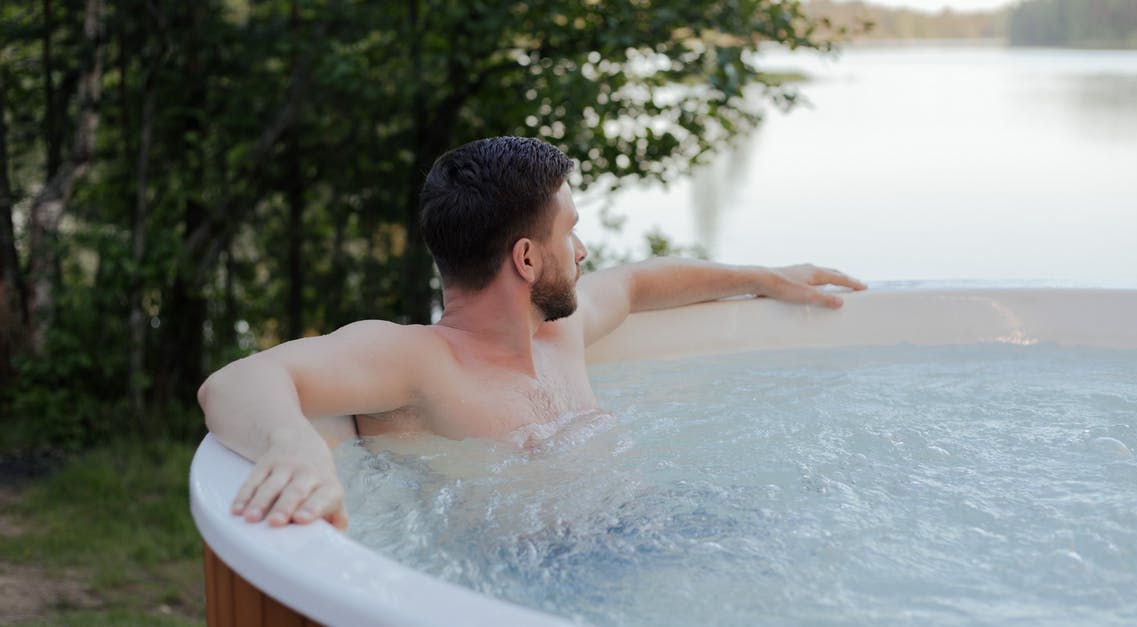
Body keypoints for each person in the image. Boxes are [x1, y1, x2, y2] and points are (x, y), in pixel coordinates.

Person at [198, 136, 866, 530]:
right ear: (525, 257)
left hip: (650, 532)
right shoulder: (421, 362)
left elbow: (636, 283)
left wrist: (766, 276)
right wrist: (296, 446)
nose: (581, 249)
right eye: (568, 230)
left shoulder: (559, 337)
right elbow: (235, 381)